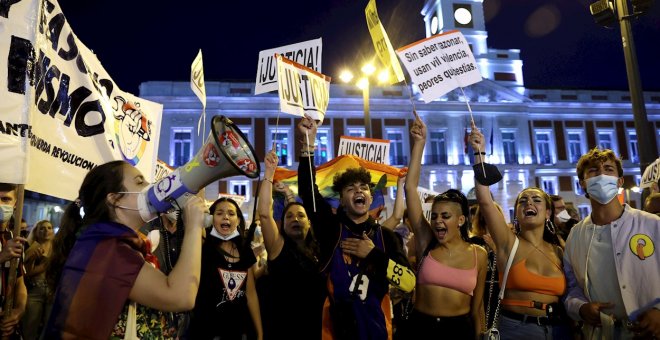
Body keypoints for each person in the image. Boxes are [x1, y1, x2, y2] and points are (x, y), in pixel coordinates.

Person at [43, 160, 205, 339]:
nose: (149, 187)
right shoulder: (109, 248)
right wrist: (194, 227)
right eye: (139, 181)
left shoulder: (109, 243)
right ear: (114, 199)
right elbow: (180, 296)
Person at [297, 115, 415, 340]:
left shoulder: (387, 237)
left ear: (370, 198)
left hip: (377, 333)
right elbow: (307, 191)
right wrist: (308, 144)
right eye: (350, 188)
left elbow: (409, 283)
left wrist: (372, 255)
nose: (359, 191)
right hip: (334, 332)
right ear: (341, 200)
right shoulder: (330, 228)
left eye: (364, 188)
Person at [469, 123, 567, 339]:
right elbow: (485, 200)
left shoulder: (560, 249)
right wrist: (479, 152)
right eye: (523, 200)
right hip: (516, 330)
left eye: (536, 199)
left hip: (558, 330)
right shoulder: (508, 242)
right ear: (517, 213)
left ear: (548, 212)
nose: (528, 202)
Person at [400, 116, 488, 338]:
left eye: (446, 216)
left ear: (460, 220)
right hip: (421, 328)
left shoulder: (479, 255)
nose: (438, 220)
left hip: (459, 330)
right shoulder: (425, 242)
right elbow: (410, 189)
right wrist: (419, 143)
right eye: (435, 215)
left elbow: (478, 308)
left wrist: (481, 334)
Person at [563, 148, 660, 339]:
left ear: (620, 181)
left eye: (608, 169)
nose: (601, 175)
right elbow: (571, 286)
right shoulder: (575, 235)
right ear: (582, 184)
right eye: (593, 171)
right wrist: (581, 308)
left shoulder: (652, 224)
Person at [257, 149, 325, 340]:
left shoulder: (320, 251)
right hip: (282, 331)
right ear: (283, 224)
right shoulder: (278, 247)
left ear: (309, 222)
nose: (295, 218)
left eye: (301, 215)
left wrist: (288, 195)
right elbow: (264, 213)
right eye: (289, 216)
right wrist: (269, 173)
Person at [189, 197, 262, 340]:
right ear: (210, 219)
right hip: (207, 332)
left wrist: (260, 333)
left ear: (238, 220)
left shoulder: (245, 251)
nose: (226, 217)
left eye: (231, 213)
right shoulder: (202, 247)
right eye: (219, 213)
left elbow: (251, 294)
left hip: (239, 332)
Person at [0, 183, 27, 338]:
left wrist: (19, 310)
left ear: (15, 203)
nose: (0, 204)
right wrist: (1, 257)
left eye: (6, 199)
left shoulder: (14, 239)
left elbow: (20, 283)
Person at [22, 220, 54, 339]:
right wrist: (41, 264)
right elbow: (25, 272)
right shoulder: (32, 247)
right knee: (29, 327)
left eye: (49, 228)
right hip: (35, 289)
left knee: (49, 328)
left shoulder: (57, 247)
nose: (46, 231)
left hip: (52, 290)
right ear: (36, 231)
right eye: (42, 228)